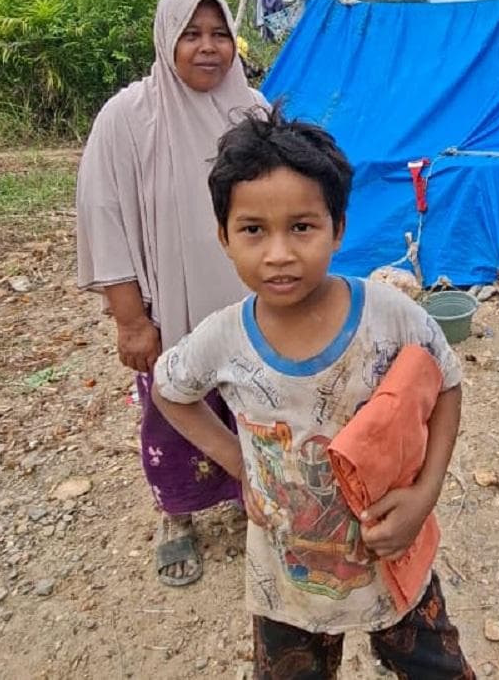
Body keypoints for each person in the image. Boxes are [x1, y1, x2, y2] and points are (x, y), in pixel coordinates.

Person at [151, 107, 474, 678]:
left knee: (436, 668)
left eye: (302, 226)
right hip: (286, 578)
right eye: (254, 229)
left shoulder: (390, 315)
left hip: (391, 556)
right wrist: (239, 464)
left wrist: (425, 494)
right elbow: (170, 391)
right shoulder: (222, 338)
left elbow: (446, 383)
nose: (279, 253)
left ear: (339, 227)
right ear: (224, 236)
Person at [76, 0, 265, 587]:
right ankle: (177, 514)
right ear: (166, 40)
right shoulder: (129, 117)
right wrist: (130, 320)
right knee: (173, 410)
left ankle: (251, 497)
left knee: (255, 407)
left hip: (252, 308)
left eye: (219, 35)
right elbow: (104, 218)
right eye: (192, 34)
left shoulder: (253, 114)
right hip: (169, 312)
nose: (208, 48)